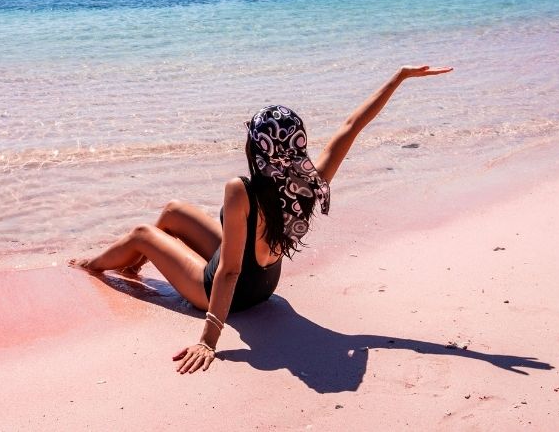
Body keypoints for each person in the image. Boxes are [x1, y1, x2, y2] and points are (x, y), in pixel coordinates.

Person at [69, 65, 453, 374]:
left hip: (227, 294)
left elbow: (229, 272)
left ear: (256, 147)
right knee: (172, 210)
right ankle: (135, 267)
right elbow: (352, 126)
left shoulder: (241, 190)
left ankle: (91, 265)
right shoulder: (309, 181)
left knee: (141, 233)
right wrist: (399, 78)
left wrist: (208, 338)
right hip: (266, 285)